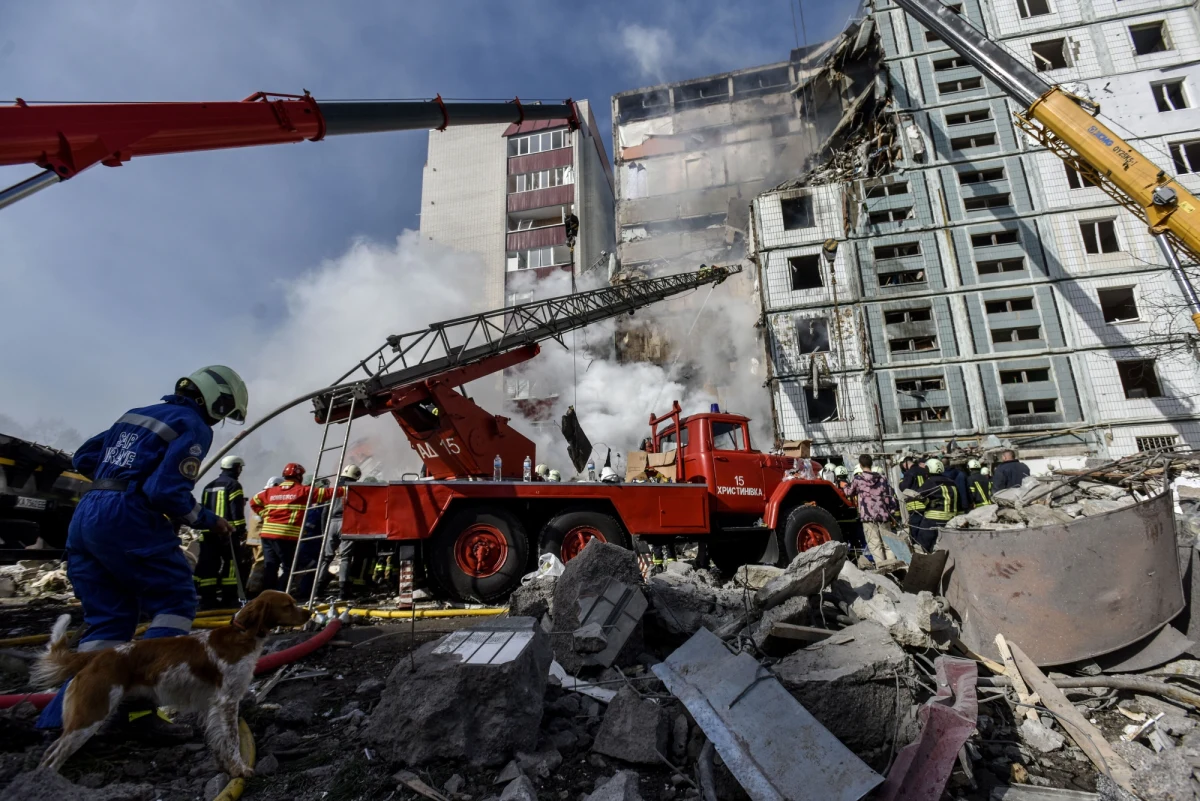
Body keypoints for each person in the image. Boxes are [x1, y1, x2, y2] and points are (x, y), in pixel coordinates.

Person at [38, 365, 249, 738]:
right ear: (216, 398)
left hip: (87, 513)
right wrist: (207, 520)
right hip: (128, 515)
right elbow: (164, 492)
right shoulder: (193, 424)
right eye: (224, 411)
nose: (219, 421)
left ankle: (60, 720)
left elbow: (84, 456)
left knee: (110, 622)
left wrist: (117, 474)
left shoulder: (136, 416)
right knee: (176, 600)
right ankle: (137, 712)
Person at [250, 463, 343, 593]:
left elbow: (254, 502)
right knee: (290, 568)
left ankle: (267, 595)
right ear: (299, 476)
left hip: (267, 535)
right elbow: (327, 493)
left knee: (270, 567)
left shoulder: (271, 492)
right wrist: (345, 489)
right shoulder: (302, 491)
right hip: (286, 535)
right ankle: (279, 594)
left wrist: (265, 514)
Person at [194, 455, 248, 609]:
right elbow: (236, 511)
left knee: (209, 564)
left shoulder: (209, 486)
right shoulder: (234, 485)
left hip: (208, 531)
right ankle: (229, 598)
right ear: (236, 468)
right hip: (227, 532)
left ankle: (207, 599)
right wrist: (240, 530)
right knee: (231, 564)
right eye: (240, 468)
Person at [845, 454, 901, 564]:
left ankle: (883, 568)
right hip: (884, 515)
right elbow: (890, 496)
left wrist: (845, 486)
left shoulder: (858, 479)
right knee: (888, 543)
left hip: (868, 516)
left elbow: (848, 492)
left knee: (875, 544)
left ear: (860, 465)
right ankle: (893, 566)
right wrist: (892, 513)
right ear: (871, 464)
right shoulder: (882, 478)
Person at [914, 457, 959, 551]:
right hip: (951, 519)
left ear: (928, 469)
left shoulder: (930, 482)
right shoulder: (951, 482)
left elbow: (919, 494)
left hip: (933, 518)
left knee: (922, 545)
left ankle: (924, 563)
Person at [899, 456, 929, 541]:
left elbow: (904, 488)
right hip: (926, 505)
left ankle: (918, 549)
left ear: (905, 464)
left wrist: (901, 481)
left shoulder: (909, 473)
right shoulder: (924, 471)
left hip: (915, 507)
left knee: (915, 533)